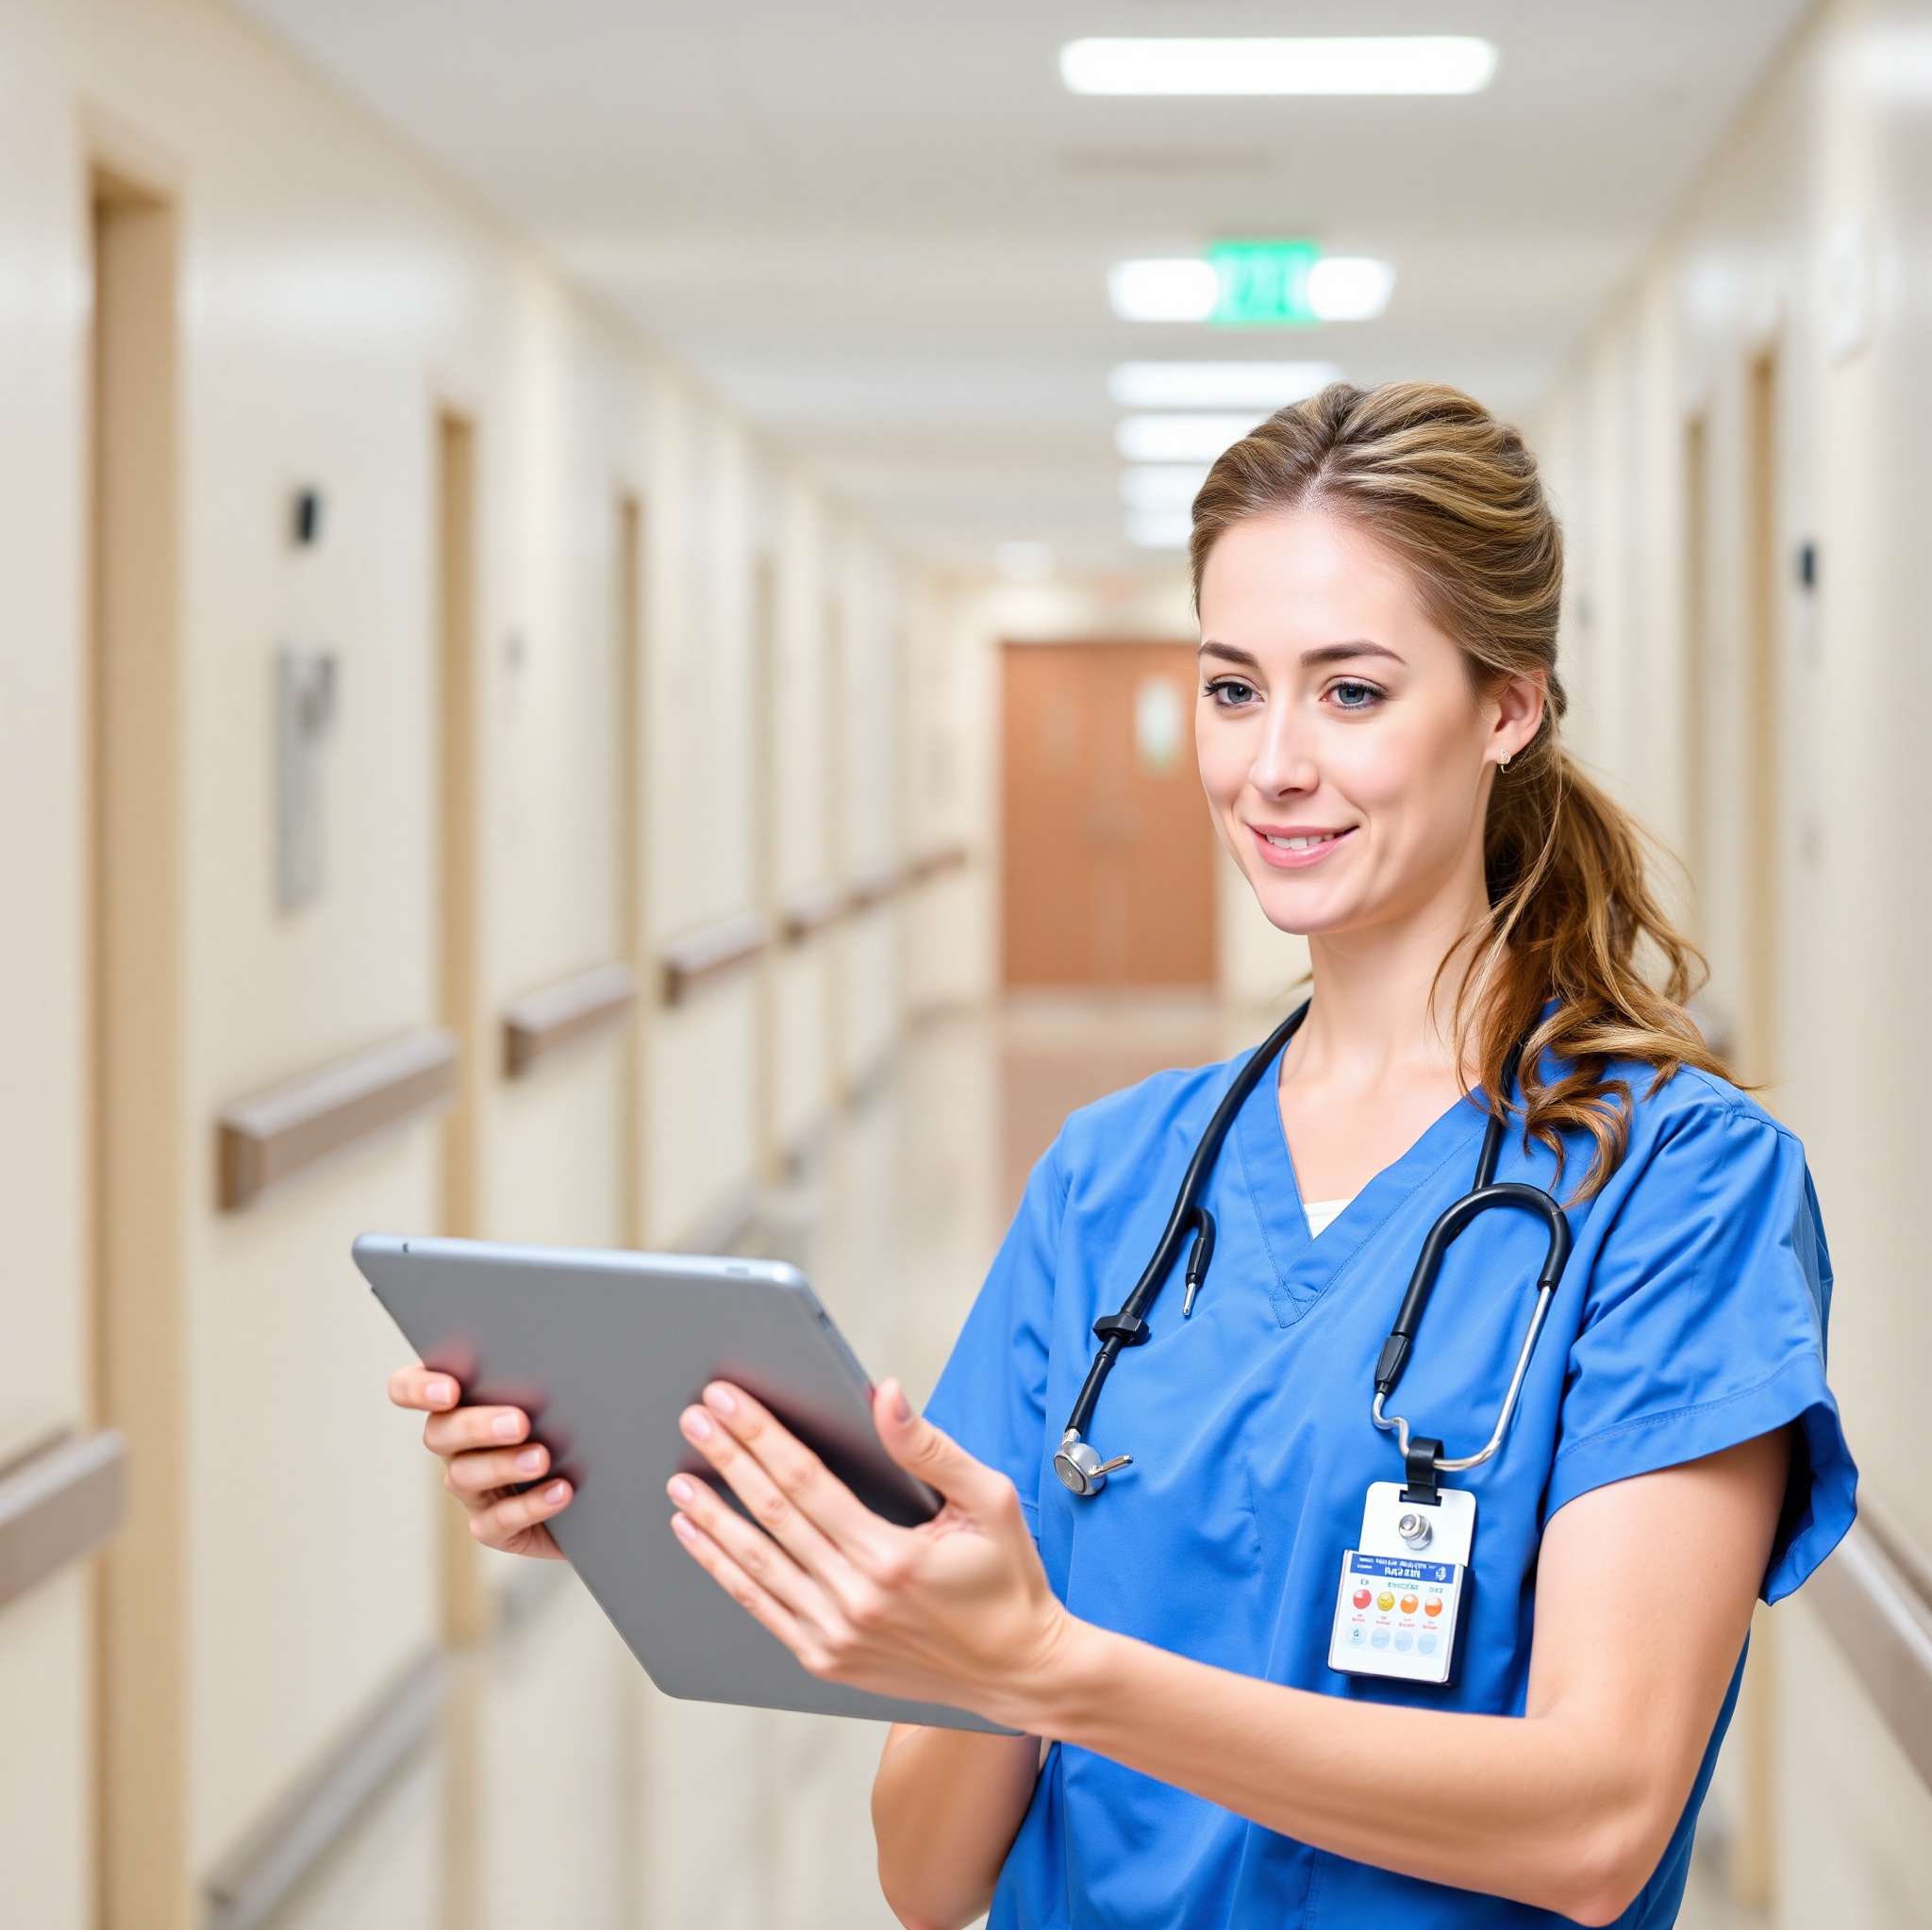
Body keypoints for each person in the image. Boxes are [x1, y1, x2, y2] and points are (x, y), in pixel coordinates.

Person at [391, 382, 1855, 1930]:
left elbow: (1598, 1820)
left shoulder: (1680, 1188)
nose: (1273, 766)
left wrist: (1055, 1671)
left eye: (1351, 692)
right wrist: (685, 1515)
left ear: (1509, 708)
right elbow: (927, 1874)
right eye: (1233, 690)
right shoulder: (1116, 1183)